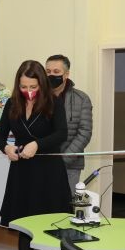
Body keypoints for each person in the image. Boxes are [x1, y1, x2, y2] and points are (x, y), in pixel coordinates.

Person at [0, 60, 72, 250]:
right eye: (23, 86)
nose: (28, 91)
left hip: (48, 174)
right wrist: (7, 148)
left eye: (33, 87)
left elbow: (61, 133)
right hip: (22, 174)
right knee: (23, 226)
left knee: (46, 226)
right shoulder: (12, 104)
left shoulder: (53, 103)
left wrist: (37, 144)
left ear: (42, 84)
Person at [45, 54, 93, 192]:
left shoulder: (81, 99)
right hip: (42, 163)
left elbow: (85, 133)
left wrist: (63, 159)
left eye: (56, 72)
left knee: (66, 202)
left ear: (66, 74)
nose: (51, 75)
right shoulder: (39, 98)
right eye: (48, 71)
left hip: (70, 166)